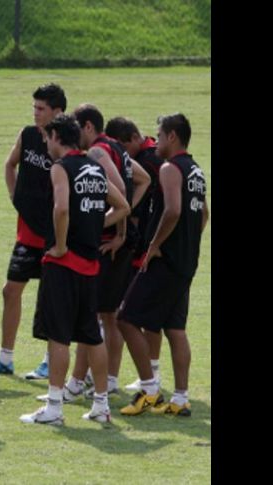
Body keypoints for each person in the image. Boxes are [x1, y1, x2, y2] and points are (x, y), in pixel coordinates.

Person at [19, 115, 130, 425]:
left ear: (57, 137)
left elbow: (62, 208)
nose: (45, 143)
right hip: (90, 267)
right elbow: (122, 205)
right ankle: (101, 405)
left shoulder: (60, 168)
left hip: (64, 264)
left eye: (47, 137)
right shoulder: (95, 168)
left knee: (58, 336)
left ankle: (54, 407)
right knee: (92, 336)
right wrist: (94, 226)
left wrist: (61, 244)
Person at [0, 83, 66, 378]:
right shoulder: (27, 135)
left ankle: (50, 362)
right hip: (27, 232)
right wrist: (15, 197)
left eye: (41, 109)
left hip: (54, 234)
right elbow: (9, 164)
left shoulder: (66, 142)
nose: (35, 114)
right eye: (34, 108)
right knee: (10, 291)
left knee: (51, 300)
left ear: (57, 112)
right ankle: (5, 358)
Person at [118, 113, 208, 417]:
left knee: (126, 318)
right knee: (174, 328)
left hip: (164, 261)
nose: (154, 140)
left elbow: (172, 211)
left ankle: (150, 389)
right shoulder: (196, 170)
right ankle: (181, 397)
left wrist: (155, 247)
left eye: (159, 133)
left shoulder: (170, 168)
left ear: (172, 136)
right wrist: (187, 242)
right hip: (185, 262)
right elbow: (204, 214)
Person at [62, 104, 150, 398]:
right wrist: (123, 225)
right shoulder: (117, 147)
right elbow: (143, 180)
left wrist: (114, 228)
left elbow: (120, 190)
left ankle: (78, 382)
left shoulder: (97, 151)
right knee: (107, 315)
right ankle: (107, 378)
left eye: (76, 127)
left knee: (93, 315)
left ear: (88, 127)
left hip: (108, 244)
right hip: (118, 242)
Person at [104, 116, 165, 392]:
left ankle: (150, 374)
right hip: (149, 242)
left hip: (150, 244)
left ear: (131, 140)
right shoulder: (150, 155)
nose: (122, 157)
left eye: (122, 148)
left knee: (135, 313)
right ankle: (149, 373)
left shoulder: (151, 159)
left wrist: (127, 211)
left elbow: (158, 201)